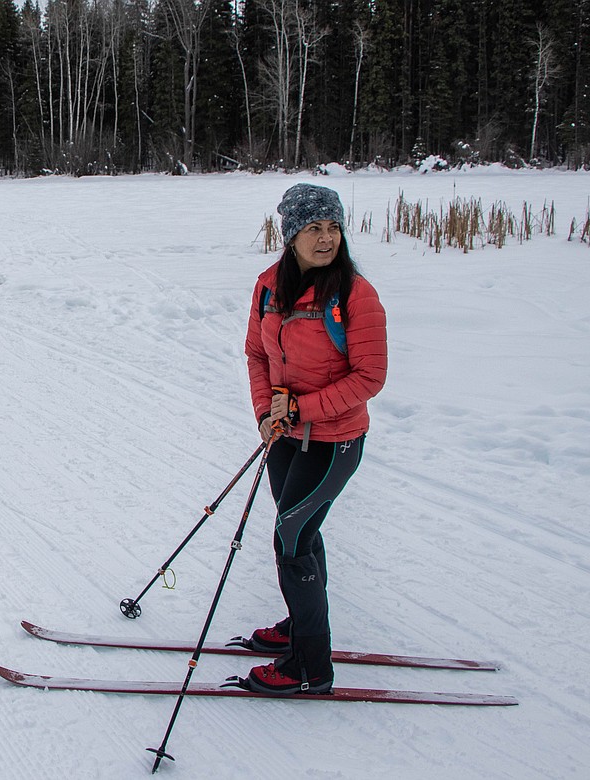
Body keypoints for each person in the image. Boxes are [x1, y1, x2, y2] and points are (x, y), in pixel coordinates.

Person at [241, 183, 387, 694]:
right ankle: (299, 629)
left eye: (333, 228)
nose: (326, 239)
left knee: (292, 537)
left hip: (334, 441)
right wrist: (266, 412)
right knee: (300, 532)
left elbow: (370, 377)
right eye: (313, 228)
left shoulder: (355, 295)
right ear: (291, 235)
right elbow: (257, 355)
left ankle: (311, 665)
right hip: (284, 436)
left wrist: (301, 407)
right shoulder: (268, 286)